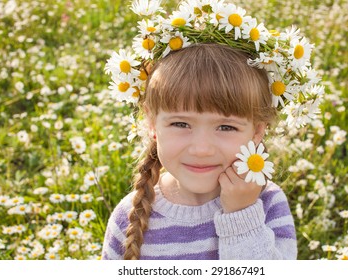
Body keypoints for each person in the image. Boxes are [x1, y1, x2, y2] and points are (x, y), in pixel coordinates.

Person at [101, 0, 322, 260]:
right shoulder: (131, 215)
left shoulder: (266, 203)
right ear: (152, 124)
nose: (202, 149)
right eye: (181, 124)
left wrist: (242, 215)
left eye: (226, 127)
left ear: (257, 131)